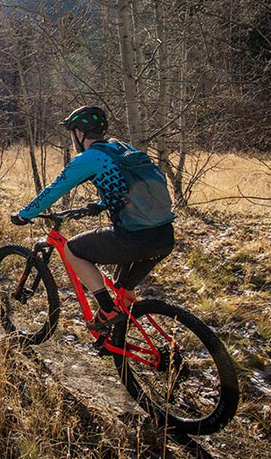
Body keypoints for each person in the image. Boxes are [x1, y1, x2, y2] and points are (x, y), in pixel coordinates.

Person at [10, 106, 175, 332]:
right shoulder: (120, 148)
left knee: (72, 249)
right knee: (124, 292)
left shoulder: (90, 158)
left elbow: (54, 189)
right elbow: (134, 190)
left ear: (79, 133)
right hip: (165, 235)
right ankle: (121, 342)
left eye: (72, 133)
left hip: (134, 237)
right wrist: (99, 205)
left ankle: (107, 309)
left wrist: (24, 215)